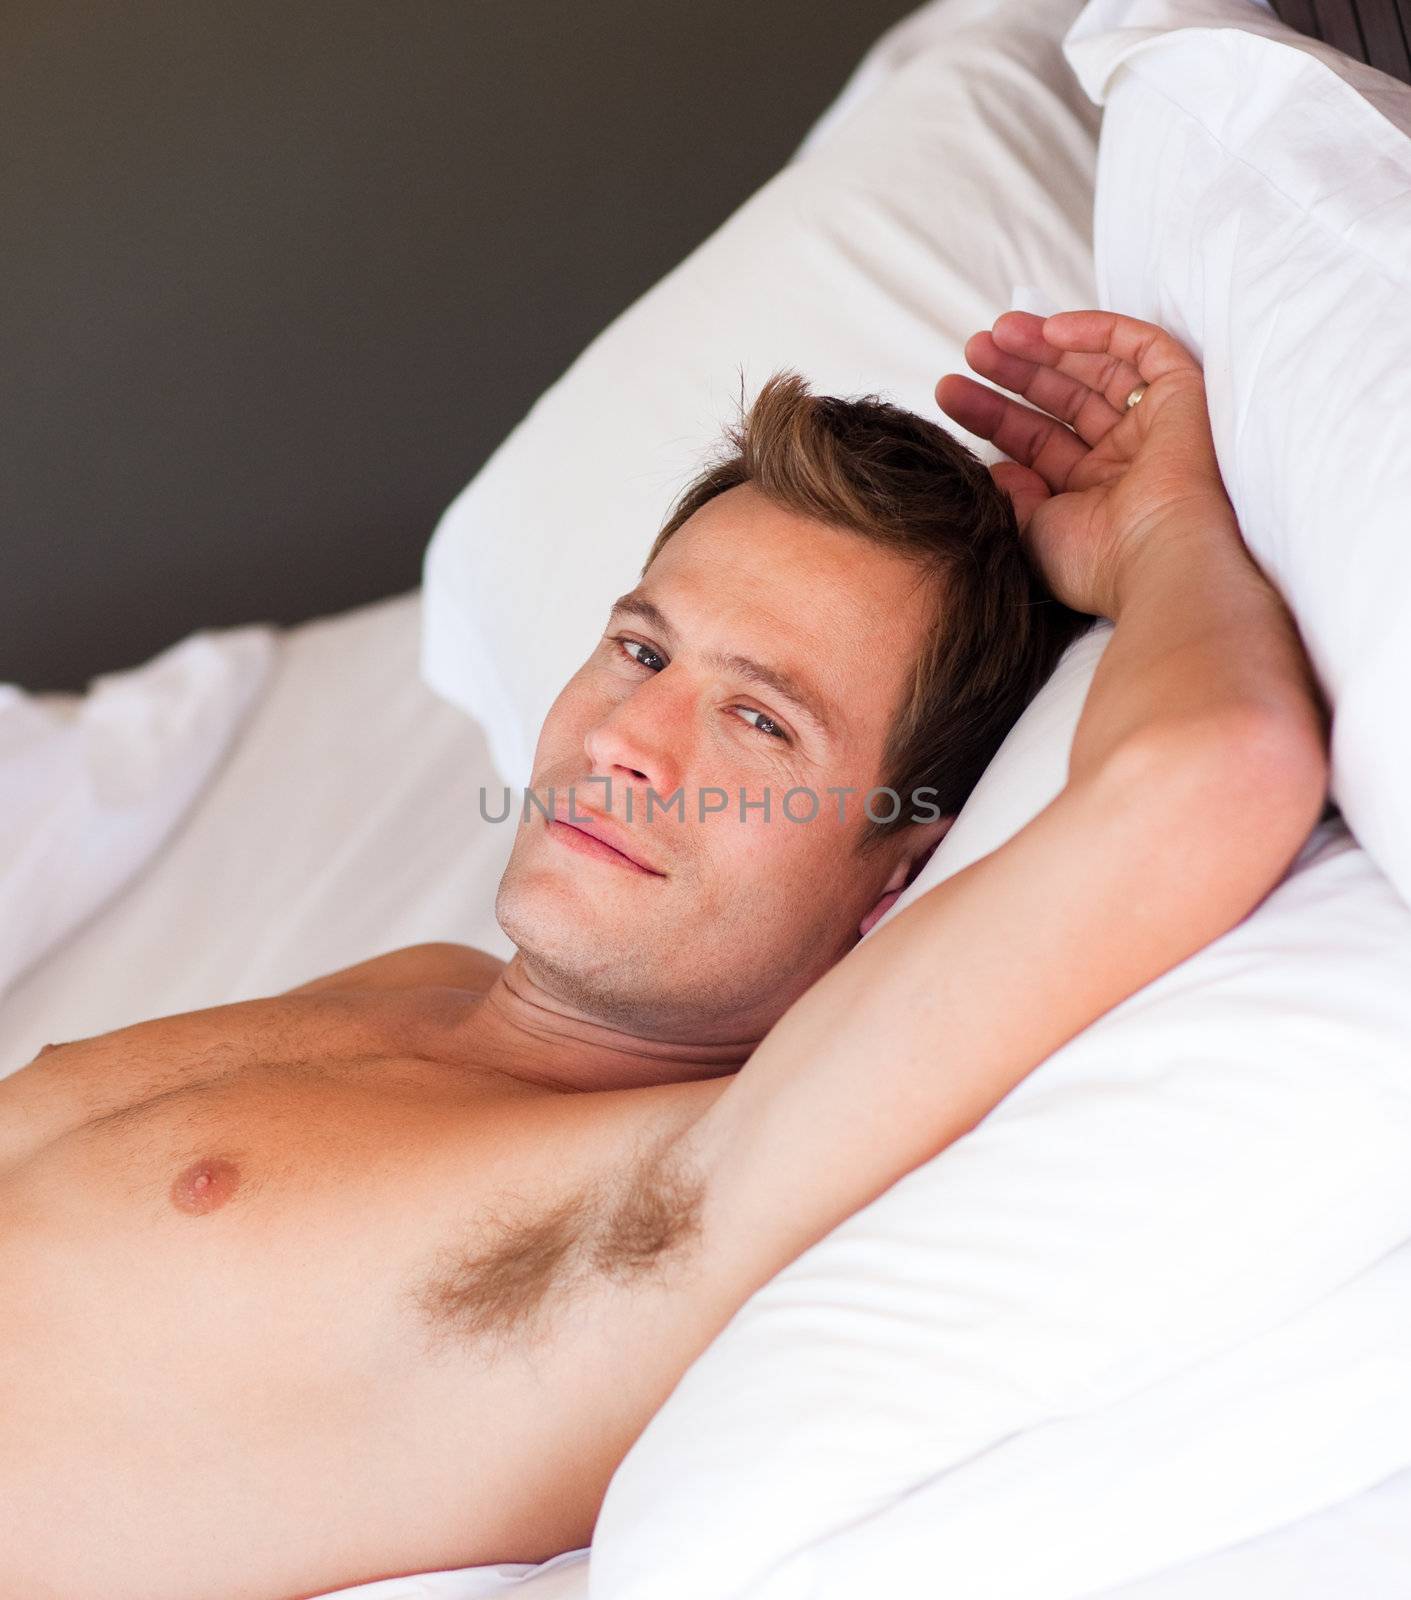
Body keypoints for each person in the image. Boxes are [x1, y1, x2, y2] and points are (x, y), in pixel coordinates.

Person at [0, 309, 1329, 1600]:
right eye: (643, 648)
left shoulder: (685, 1191)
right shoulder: (416, 986)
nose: (628, 735)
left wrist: (1162, 532)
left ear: (897, 870)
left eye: (759, 721)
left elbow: (1213, 774)